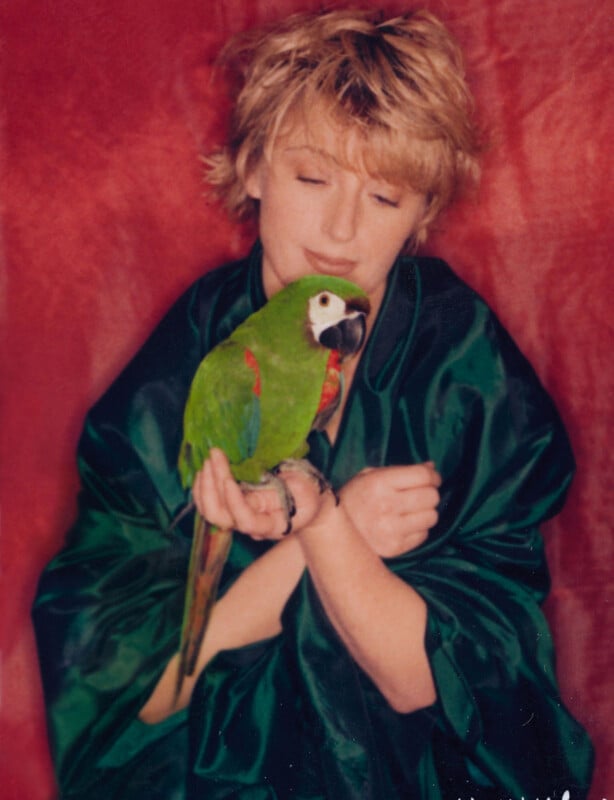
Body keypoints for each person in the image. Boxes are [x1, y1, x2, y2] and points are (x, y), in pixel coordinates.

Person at [33, 8, 593, 799]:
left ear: (424, 214)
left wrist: (325, 531)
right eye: (311, 177)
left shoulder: (463, 371)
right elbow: (139, 697)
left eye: (385, 198)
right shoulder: (187, 365)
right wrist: (338, 533)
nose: (341, 230)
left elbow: (430, 685)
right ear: (254, 168)